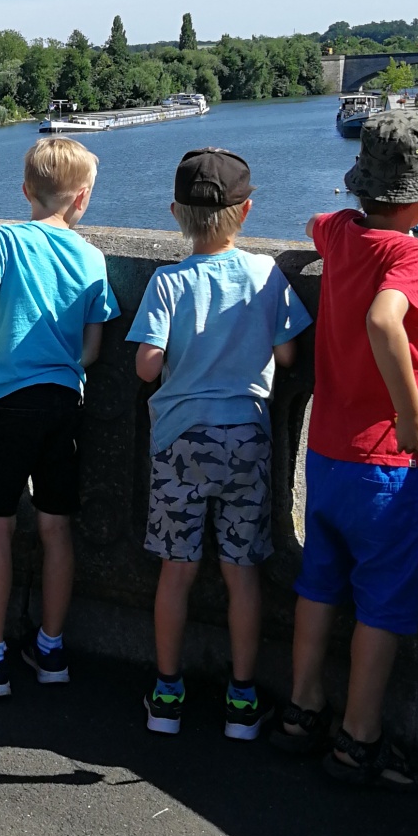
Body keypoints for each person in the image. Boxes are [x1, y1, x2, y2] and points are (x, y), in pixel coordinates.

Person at [272, 108, 418, 787]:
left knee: (318, 584)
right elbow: (387, 319)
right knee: (382, 601)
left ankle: (301, 709)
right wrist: (413, 418)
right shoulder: (412, 256)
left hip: (324, 451)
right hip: (384, 461)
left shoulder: (341, 234)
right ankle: (359, 739)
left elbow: (313, 228)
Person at [128, 148, 311, 739]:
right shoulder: (265, 275)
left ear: (175, 213)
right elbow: (287, 354)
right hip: (246, 441)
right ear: (248, 210)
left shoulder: (167, 281)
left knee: (176, 572)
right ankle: (240, 699)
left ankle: (167, 693)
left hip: (180, 443)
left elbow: (146, 367)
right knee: (242, 574)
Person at [0, 137, 119, 697]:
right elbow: (93, 348)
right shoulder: (92, 258)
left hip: (7, 402)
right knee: (56, 526)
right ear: (83, 199)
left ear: (25, 191)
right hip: (63, 401)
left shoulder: (8, 240)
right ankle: (50, 650)